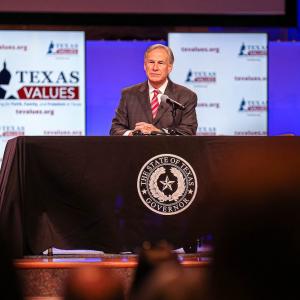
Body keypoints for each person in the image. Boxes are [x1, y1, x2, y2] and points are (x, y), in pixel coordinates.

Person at [110, 44, 198, 136]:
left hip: (169, 150)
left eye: (160, 63)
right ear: (145, 65)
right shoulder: (128, 94)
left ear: (169, 68)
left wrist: (158, 132)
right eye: (151, 62)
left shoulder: (186, 96)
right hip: (136, 149)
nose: (155, 68)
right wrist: (131, 134)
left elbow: (188, 131)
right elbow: (115, 129)